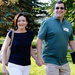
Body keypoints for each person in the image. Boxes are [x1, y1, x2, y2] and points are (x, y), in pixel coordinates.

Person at [36, 1, 75, 75]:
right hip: (50, 60)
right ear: (54, 10)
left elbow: (71, 41)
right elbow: (39, 39)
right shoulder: (47, 23)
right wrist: (39, 56)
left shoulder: (68, 24)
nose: (59, 10)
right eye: (57, 8)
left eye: (61, 8)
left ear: (65, 11)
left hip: (64, 61)